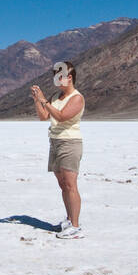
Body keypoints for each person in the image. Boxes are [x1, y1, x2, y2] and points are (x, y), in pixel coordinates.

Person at [31, 61, 85, 238]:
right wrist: (37, 101)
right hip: (54, 142)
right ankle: (69, 220)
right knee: (63, 185)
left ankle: (75, 226)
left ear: (69, 78)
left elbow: (61, 117)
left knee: (70, 185)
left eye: (60, 76)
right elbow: (44, 117)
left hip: (70, 143)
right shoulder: (56, 97)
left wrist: (44, 100)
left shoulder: (77, 98)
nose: (57, 80)